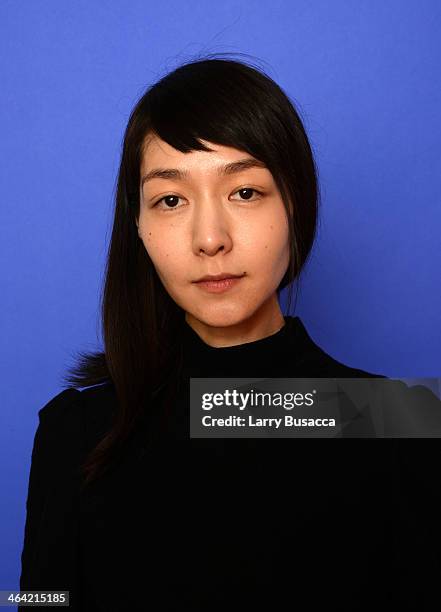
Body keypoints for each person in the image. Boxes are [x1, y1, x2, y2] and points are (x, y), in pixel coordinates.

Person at [19, 55, 441, 610]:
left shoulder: (400, 424)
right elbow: (39, 601)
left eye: (244, 192)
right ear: (139, 228)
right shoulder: (75, 432)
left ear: (296, 203)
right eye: (171, 200)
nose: (210, 239)